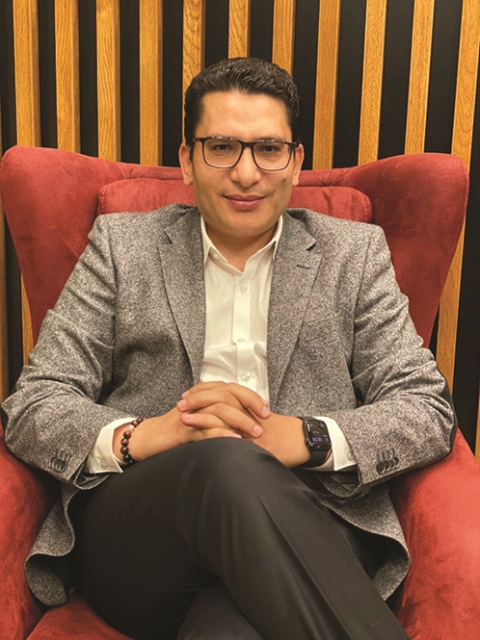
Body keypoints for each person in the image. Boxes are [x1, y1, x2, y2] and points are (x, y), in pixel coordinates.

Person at [1, 57, 456, 640]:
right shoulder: (122, 247)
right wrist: (148, 435)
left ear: (295, 162)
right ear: (187, 161)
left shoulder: (354, 254)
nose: (246, 173)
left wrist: (307, 438)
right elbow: (36, 403)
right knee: (224, 461)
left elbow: (425, 407)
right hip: (144, 540)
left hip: (311, 525)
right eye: (221, 148)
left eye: (268, 149)